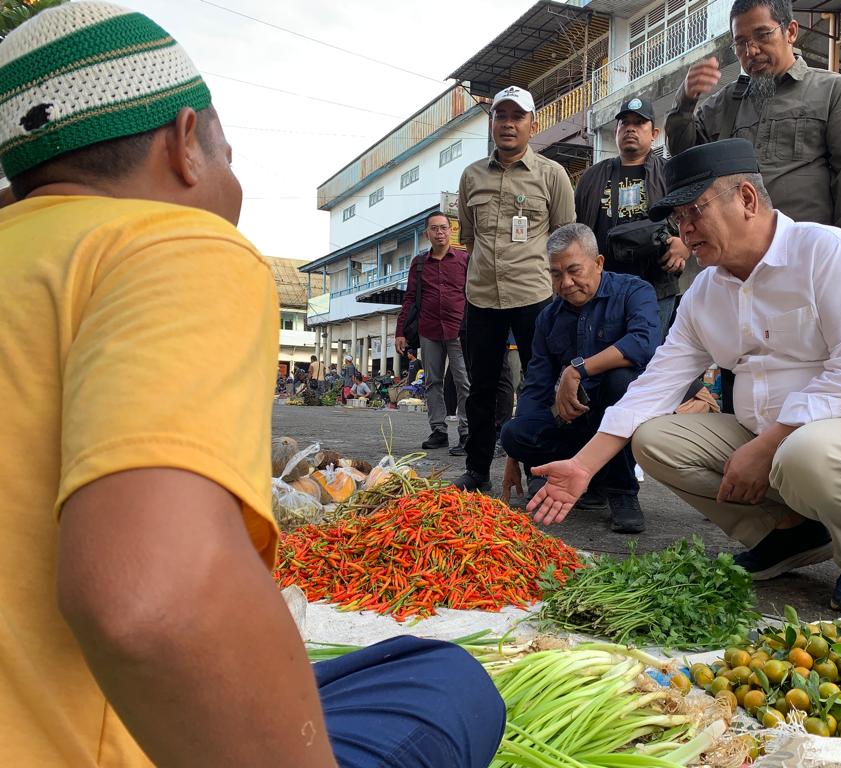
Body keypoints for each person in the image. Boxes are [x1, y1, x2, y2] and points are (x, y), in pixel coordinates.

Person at [0, 3, 505, 766]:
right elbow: (146, 602)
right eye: (227, 153)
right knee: (455, 689)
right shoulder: (167, 244)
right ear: (184, 145)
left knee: (412, 663)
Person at [526, 139, 841, 614]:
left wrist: (768, 443)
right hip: (771, 441)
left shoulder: (828, 252)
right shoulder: (704, 294)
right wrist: (583, 466)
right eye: (678, 220)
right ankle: (790, 535)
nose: (685, 231)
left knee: (807, 451)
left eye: (695, 212)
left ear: (747, 200)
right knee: (654, 440)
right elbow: (655, 386)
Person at [454, 85, 576, 491]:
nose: (508, 124)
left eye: (517, 117)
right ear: (492, 124)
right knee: (481, 389)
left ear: (532, 124)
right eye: (501, 116)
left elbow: (564, 237)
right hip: (482, 297)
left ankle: (540, 473)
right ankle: (476, 471)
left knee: (539, 386)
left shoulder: (552, 175)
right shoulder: (471, 176)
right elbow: (469, 238)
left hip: (534, 297)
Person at [500, 224, 659, 533]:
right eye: (556, 274)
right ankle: (549, 474)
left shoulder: (634, 292)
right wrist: (514, 455)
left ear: (598, 263)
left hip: (621, 420)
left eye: (574, 271)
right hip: (573, 421)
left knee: (620, 382)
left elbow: (643, 343)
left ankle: (621, 491)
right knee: (513, 432)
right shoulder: (549, 317)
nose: (566, 283)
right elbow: (536, 385)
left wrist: (578, 369)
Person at [665, 0, 841, 238]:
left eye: (762, 35)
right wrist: (686, 99)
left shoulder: (832, 90)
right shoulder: (727, 102)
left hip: (806, 250)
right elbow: (683, 155)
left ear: (790, 32)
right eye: (740, 43)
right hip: (740, 255)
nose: (751, 51)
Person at [574, 96, 689, 339]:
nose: (631, 129)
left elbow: (693, 216)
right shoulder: (591, 177)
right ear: (616, 130)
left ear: (654, 132)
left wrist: (685, 244)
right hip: (604, 287)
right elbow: (577, 229)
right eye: (624, 123)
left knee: (650, 359)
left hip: (656, 286)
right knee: (602, 357)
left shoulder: (670, 173)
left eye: (639, 123)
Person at [395, 211, 471, 452]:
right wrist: (400, 331)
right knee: (432, 382)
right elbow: (409, 298)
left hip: (458, 328)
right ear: (427, 234)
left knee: (463, 382)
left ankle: (467, 432)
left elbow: (475, 294)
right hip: (428, 329)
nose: (440, 233)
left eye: (444, 228)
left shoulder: (464, 260)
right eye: (434, 229)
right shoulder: (418, 264)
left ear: (451, 231)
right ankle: (438, 430)